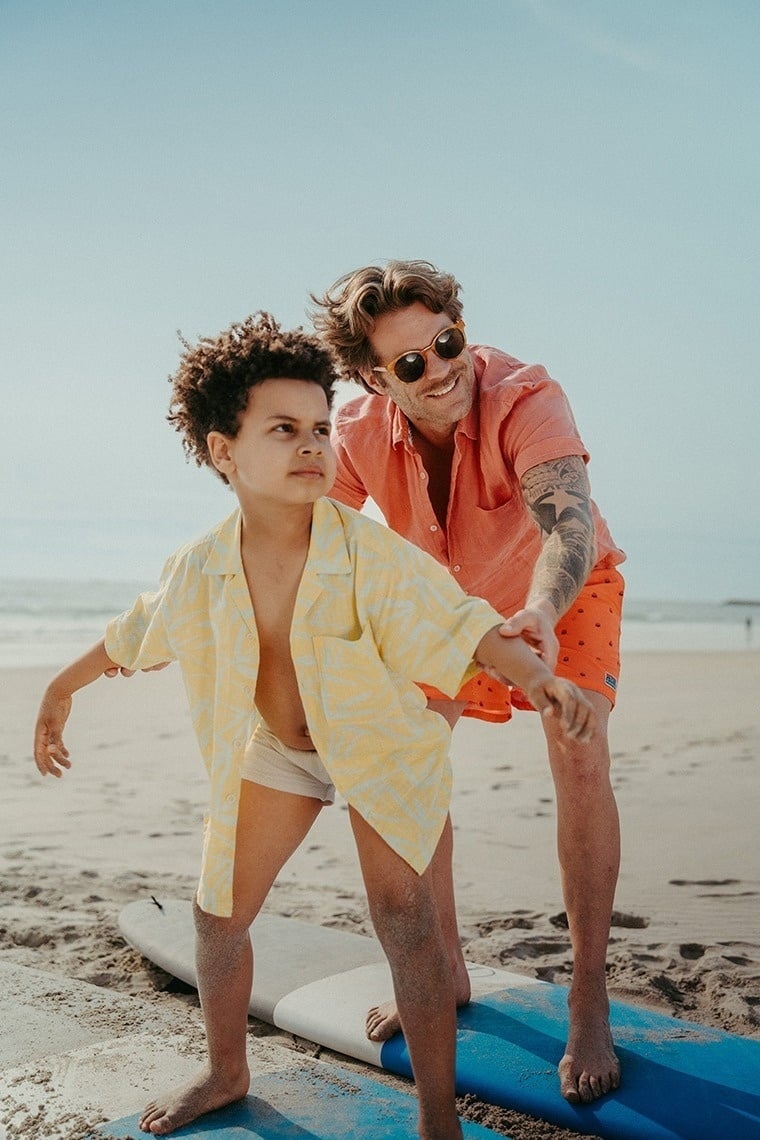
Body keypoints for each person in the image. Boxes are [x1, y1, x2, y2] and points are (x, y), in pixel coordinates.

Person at [33, 313, 595, 1139]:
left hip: (381, 749)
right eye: (284, 430)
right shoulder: (200, 565)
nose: (312, 446)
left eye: (321, 429)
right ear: (224, 451)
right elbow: (135, 631)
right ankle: (226, 1070)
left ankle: (438, 1119)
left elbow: (463, 623)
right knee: (217, 914)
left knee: (406, 923)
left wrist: (542, 681)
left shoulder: (369, 554)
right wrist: (60, 687)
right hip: (278, 751)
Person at [311, 261, 626, 1105]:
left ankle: (588, 993)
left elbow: (569, 524)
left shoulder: (526, 395)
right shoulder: (357, 429)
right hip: (447, 608)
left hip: (564, 588)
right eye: (410, 364)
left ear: (459, 325)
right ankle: (446, 969)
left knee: (578, 746)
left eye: (446, 342)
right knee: (404, 754)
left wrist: (540, 614)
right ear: (376, 377)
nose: (440, 368)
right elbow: (310, 542)